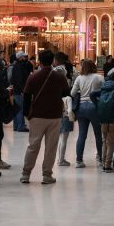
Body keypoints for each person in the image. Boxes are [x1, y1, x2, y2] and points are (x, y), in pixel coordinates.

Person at [20, 49, 69, 184]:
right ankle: (47, 175)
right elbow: (66, 94)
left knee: (33, 145)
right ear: (53, 61)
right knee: (51, 147)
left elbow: (26, 96)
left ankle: (26, 174)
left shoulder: (33, 77)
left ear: (39, 61)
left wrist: (26, 114)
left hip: (37, 116)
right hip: (54, 116)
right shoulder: (60, 77)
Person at [70, 58, 103, 167]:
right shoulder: (99, 77)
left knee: (82, 134)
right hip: (95, 107)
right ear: (94, 66)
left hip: (81, 108)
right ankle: (100, 157)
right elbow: (104, 91)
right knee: (98, 133)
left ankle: (79, 160)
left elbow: (72, 93)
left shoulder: (79, 78)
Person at [10, 51, 32, 133]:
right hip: (19, 90)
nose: (25, 58)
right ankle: (21, 126)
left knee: (16, 108)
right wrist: (23, 89)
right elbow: (19, 79)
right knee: (20, 108)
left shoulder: (17, 65)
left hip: (16, 89)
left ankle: (16, 125)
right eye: (23, 57)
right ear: (20, 57)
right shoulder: (19, 66)